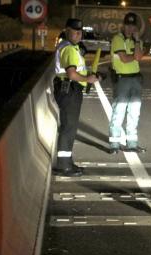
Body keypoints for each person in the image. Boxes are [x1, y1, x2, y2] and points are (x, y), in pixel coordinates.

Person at [53, 18, 99, 176]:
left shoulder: (71, 47)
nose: (79, 34)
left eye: (80, 31)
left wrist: (88, 76)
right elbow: (72, 74)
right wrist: (88, 79)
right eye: (75, 31)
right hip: (69, 90)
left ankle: (67, 162)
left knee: (69, 127)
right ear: (67, 30)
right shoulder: (69, 49)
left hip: (68, 89)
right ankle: (64, 166)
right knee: (69, 127)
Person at [108, 12, 145, 154]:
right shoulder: (117, 39)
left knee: (134, 112)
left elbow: (138, 57)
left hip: (136, 79)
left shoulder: (137, 41)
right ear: (123, 26)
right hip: (122, 79)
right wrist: (134, 56)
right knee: (119, 111)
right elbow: (124, 59)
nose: (130, 29)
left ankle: (132, 144)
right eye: (128, 25)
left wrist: (136, 42)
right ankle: (114, 144)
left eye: (133, 26)